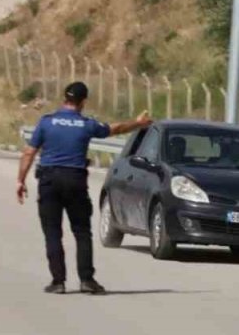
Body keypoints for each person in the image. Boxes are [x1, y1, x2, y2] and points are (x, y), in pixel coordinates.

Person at [16, 82, 153, 294]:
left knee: (53, 232)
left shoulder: (47, 122)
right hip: (75, 180)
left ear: (64, 99)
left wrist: (20, 180)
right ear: (83, 102)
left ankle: (58, 282)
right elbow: (114, 129)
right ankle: (87, 280)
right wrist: (138, 123)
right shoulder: (86, 124)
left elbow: (28, 152)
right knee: (81, 232)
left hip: (49, 180)